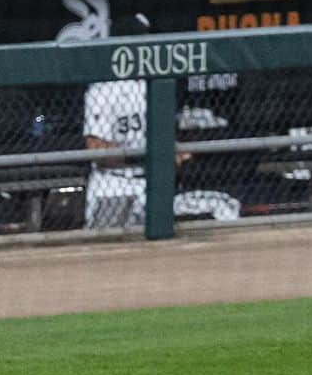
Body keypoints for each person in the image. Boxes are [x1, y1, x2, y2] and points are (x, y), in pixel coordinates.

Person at [83, 14, 241, 229]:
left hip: (154, 186)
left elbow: (166, 141)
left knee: (225, 206)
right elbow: (97, 150)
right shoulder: (102, 91)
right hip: (114, 186)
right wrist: (150, 155)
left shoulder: (156, 85)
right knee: (110, 248)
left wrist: (173, 153)